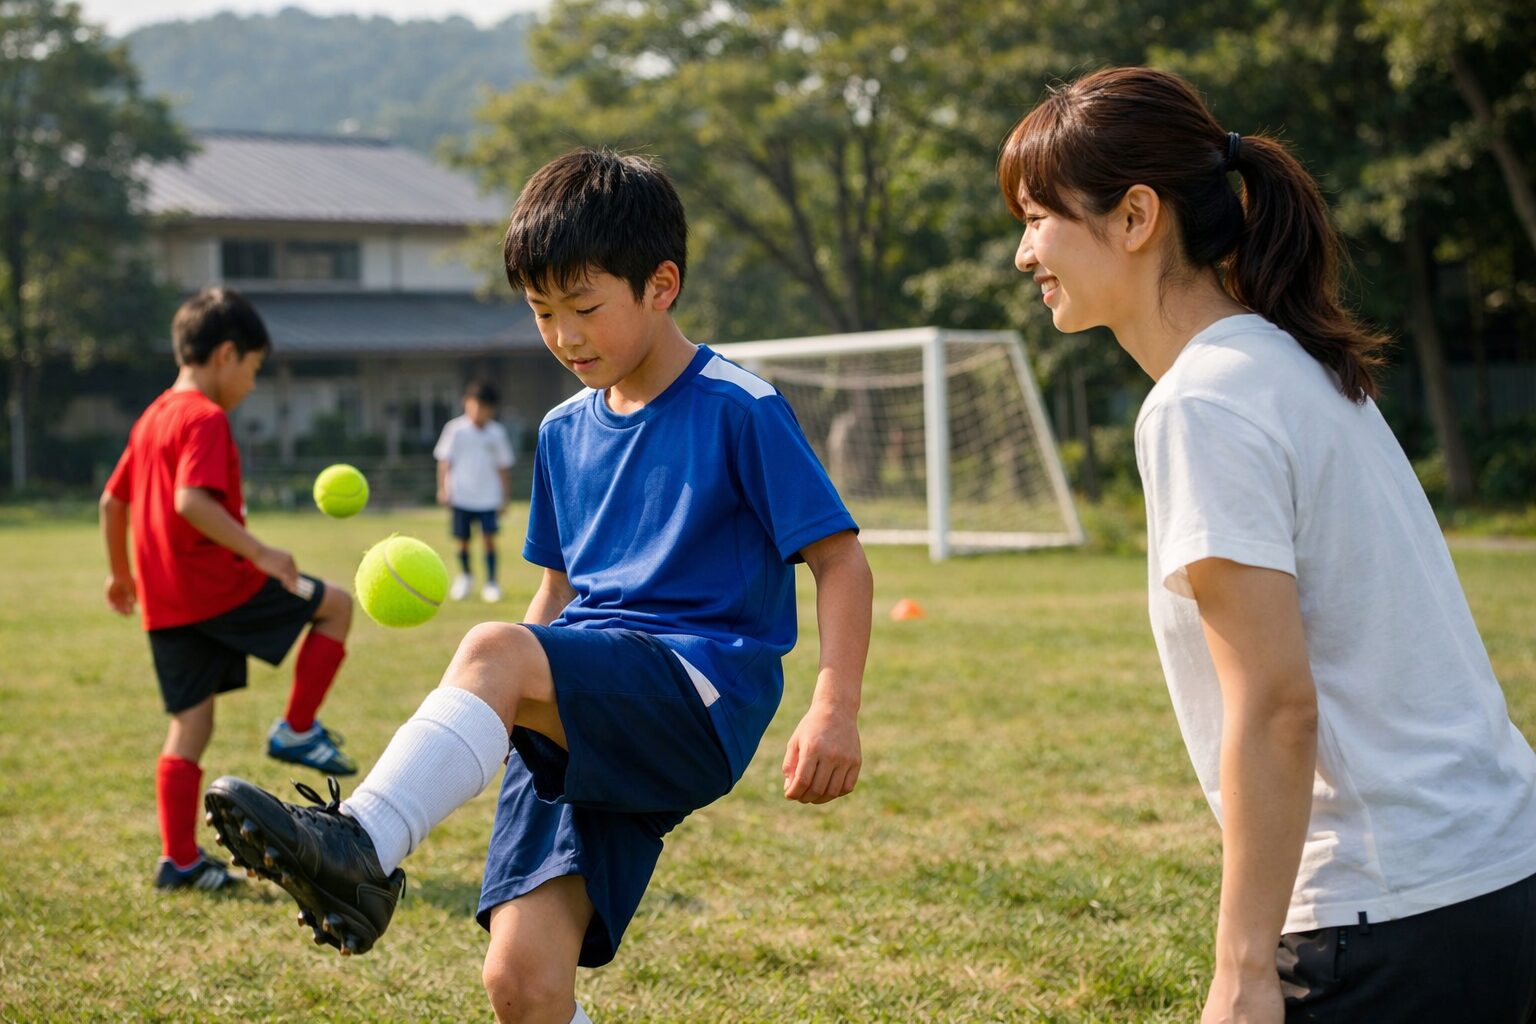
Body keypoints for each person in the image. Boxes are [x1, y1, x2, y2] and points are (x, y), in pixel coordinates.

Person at [203, 149, 871, 1024]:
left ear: (661, 284)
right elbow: (557, 591)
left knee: (490, 646)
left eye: (584, 308)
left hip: (697, 689)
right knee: (520, 985)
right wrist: (503, 707)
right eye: (543, 313)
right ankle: (364, 860)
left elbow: (840, 560)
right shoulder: (562, 430)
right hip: (582, 697)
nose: (564, 336)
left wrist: (835, 706)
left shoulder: (739, 406)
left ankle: (359, 844)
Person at [999, 66, 1536, 1023]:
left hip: (1391, 916)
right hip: (1501, 874)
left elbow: (1279, 706)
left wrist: (1243, 969)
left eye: (1038, 217)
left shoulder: (1203, 403)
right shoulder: (1298, 363)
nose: (1022, 253)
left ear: (1134, 217)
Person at [100, 287, 357, 893]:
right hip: (217, 584)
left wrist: (120, 573)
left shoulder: (152, 417)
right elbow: (191, 501)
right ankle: (297, 727)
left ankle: (179, 860)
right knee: (337, 606)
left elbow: (113, 500)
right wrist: (261, 552)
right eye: (254, 369)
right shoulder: (203, 417)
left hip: (166, 602)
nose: (251, 383)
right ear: (225, 354)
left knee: (190, 724)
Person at [436, 380, 516, 603]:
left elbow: (503, 467)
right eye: (476, 405)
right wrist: (443, 488)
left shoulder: (496, 433)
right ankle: (465, 577)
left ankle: (491, 582)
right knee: (462, 540)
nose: (480, 412)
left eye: (485, 407)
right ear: (466, 403)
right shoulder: (455, 430)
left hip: (488, 497)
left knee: (489, 539)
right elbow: (444, 461)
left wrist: (504, 497)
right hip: (461, 495)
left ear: (492, 409)